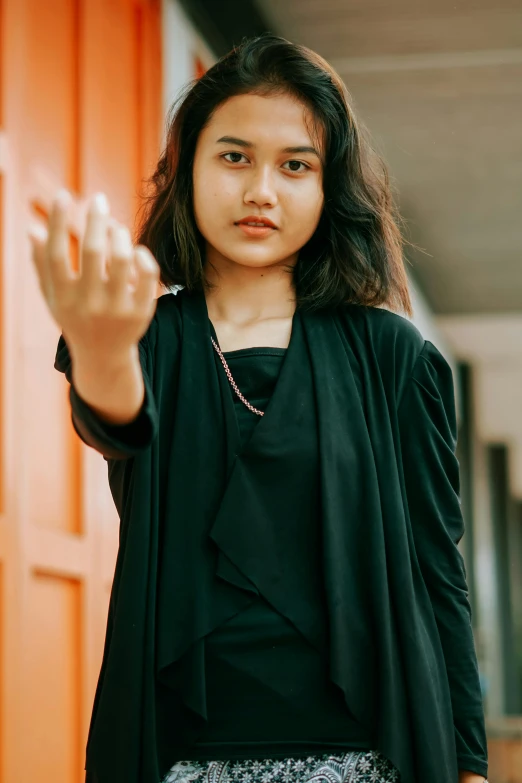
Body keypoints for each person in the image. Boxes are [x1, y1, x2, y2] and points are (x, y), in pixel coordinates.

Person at [28, 33, 489, 783]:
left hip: (371, 751)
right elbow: (116, 421)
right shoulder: (150, 339)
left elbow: (439, 572)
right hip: (185, 753)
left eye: (295, 165)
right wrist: (106, 352)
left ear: (327, 187)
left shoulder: (392, 356)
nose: (261, 191)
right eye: (234, 156)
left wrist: (470, 764)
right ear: (187, 171)